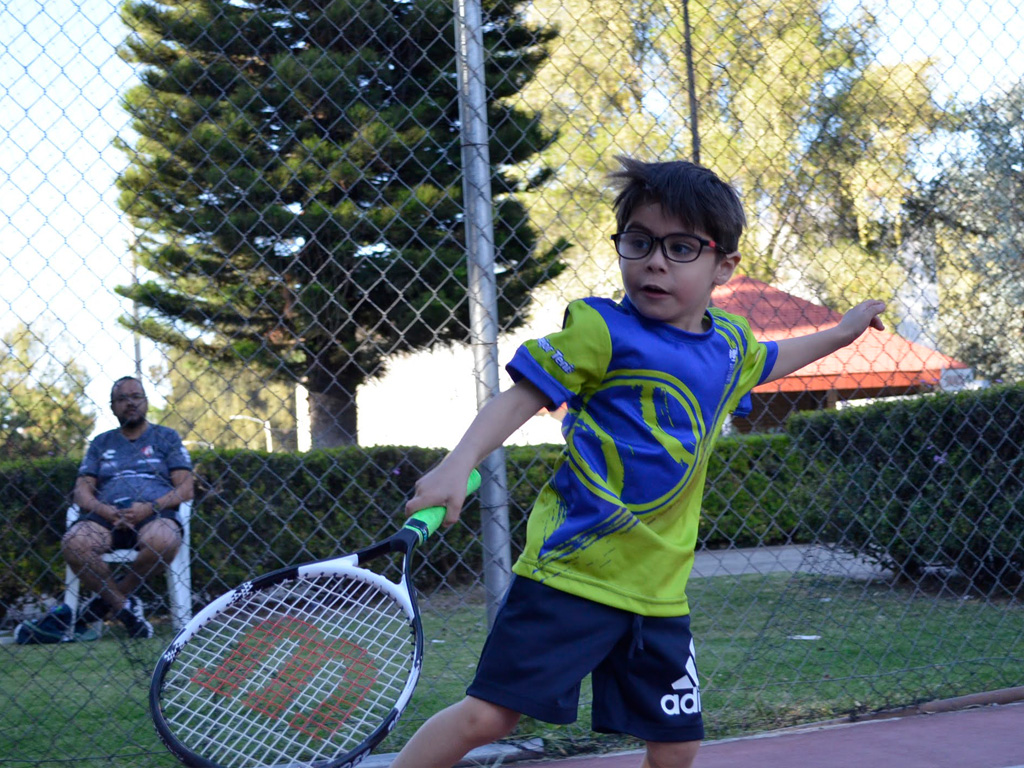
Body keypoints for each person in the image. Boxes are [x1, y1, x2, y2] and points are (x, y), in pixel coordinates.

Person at [390, 157, 887, 768]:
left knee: (677, 748)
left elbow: (777, 356)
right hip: (570, 575)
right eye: (639, 241)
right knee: (490, 715)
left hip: (659, 592)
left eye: (681, 247)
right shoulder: (601, 328)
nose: (654, 260)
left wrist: (841, 334)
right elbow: (520, 396)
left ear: (722, 265)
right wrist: (454, 464)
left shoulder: (730, 346)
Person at [61, 376, 194, 639]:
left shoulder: (166, 437)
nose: (130, 403)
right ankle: (124, 607)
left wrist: (150, 507)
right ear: (112, 407)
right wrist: (103, 510)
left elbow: (186, 488)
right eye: (122, 399)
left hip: (154, 515)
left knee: (164, 541)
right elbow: (81, 491)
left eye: (136, 397)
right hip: (106, 517)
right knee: (74, 543)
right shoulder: (101, 442)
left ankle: (109, 602)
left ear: (145, 402)